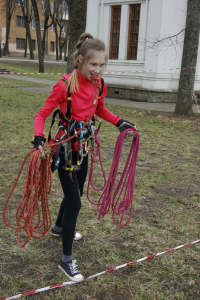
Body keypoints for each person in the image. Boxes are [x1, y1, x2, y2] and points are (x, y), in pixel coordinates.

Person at [33, 32, 136, 282]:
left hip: (84, 146)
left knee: (75, 193)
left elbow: (98, 108)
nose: (98, 70)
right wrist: (39, 138)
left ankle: (59, 227)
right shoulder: (65, 85)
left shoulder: (99, 85)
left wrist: (118, 121)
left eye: (102, 65)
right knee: (75, 202)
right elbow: (42, 114)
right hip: (65, 150)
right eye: (93, 65)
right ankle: (66, 261)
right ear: (80, 60)